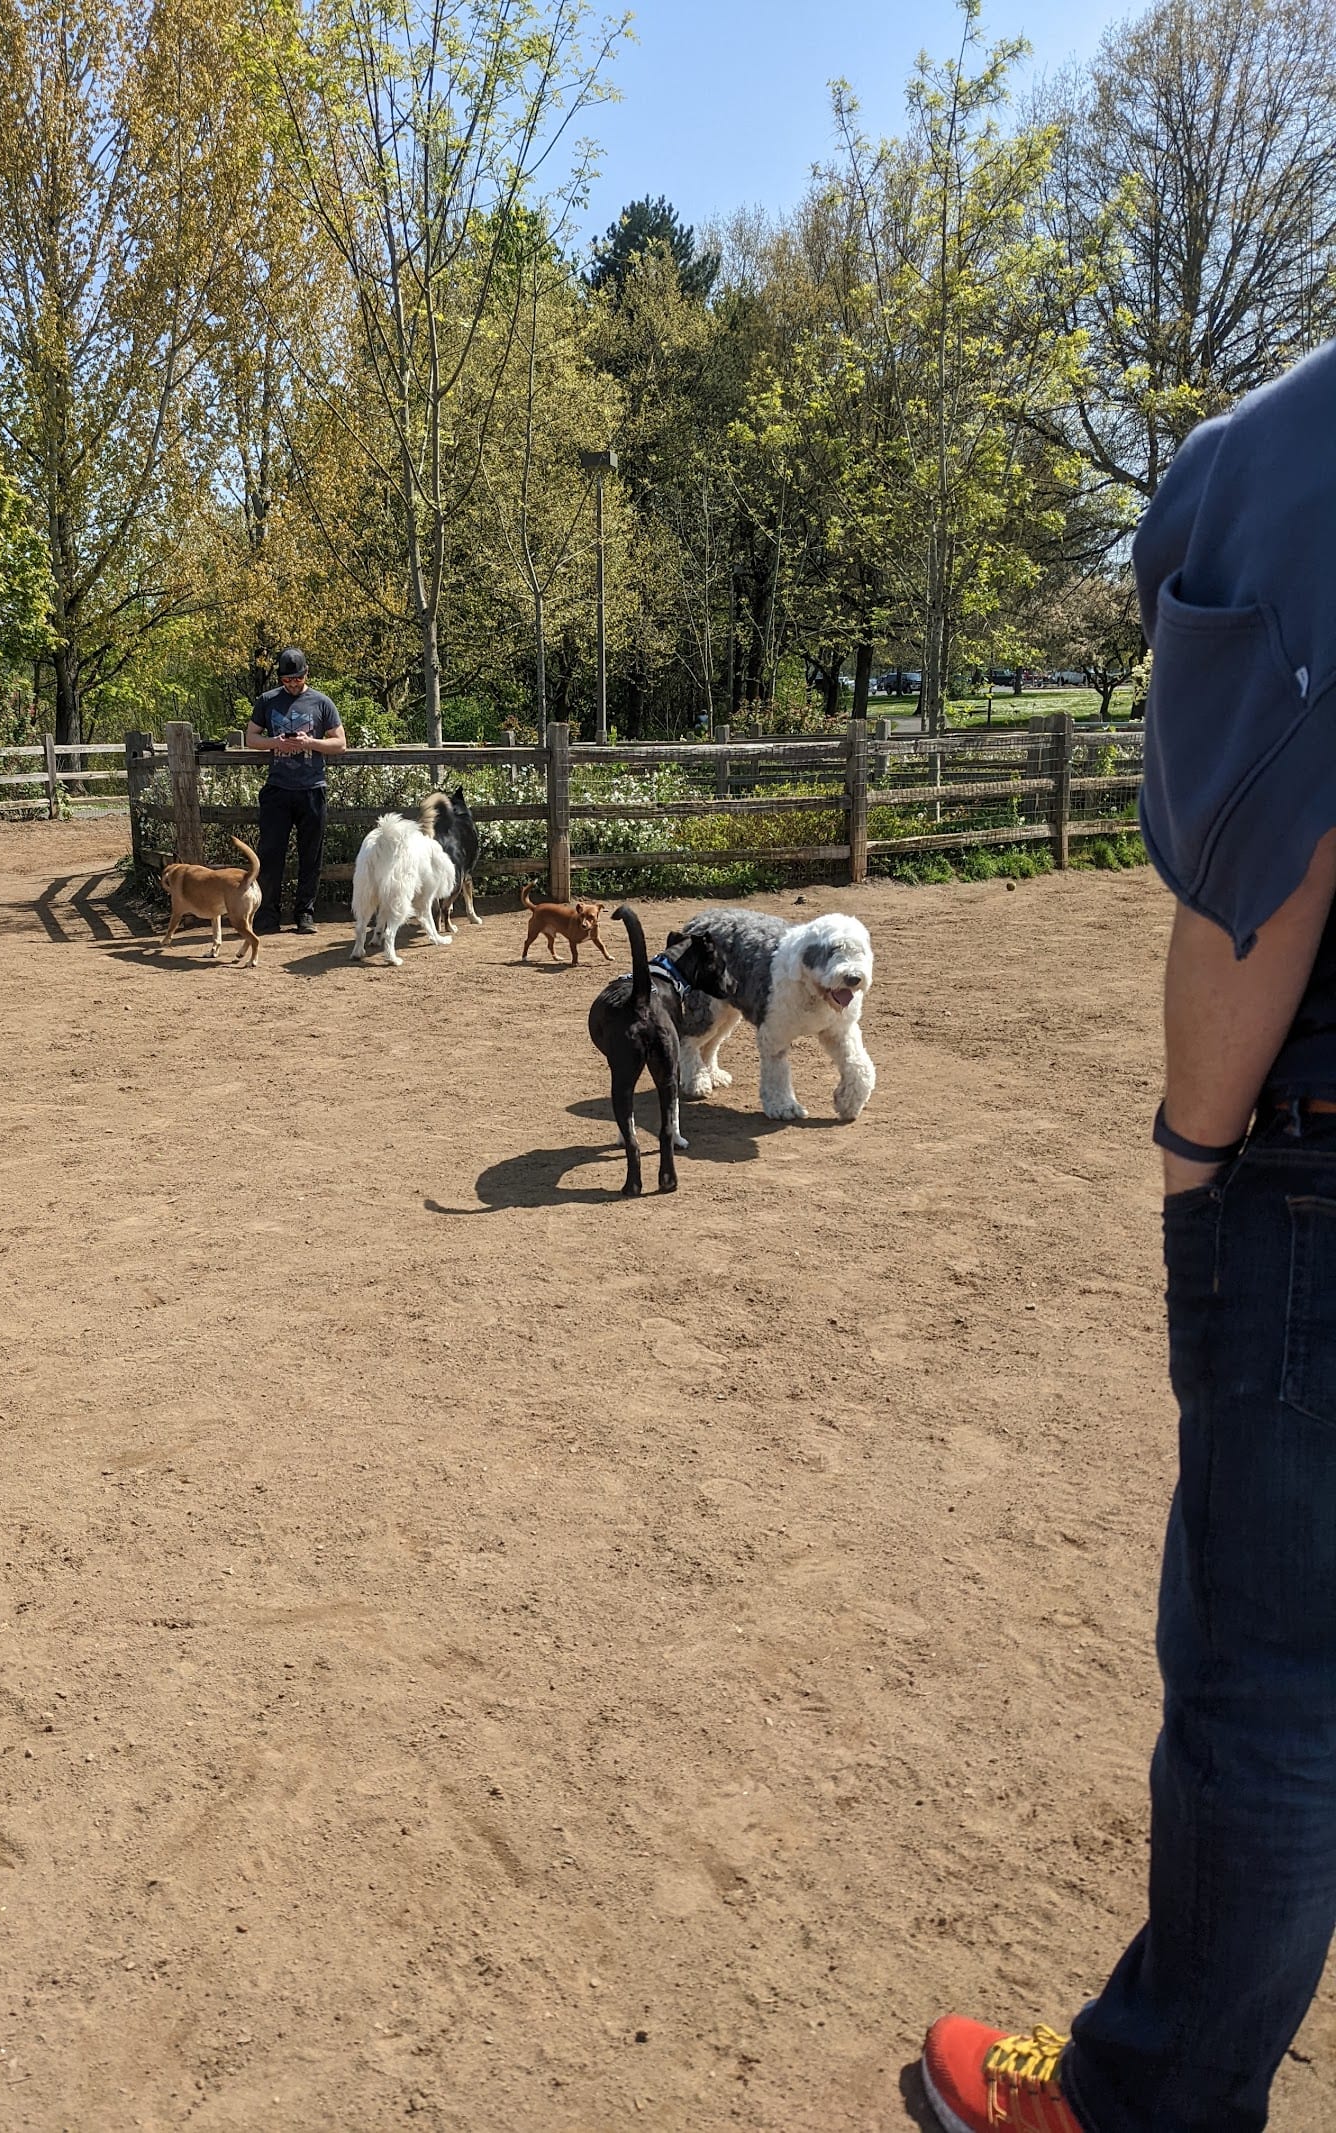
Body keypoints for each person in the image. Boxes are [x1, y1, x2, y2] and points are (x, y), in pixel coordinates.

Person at [923, 337, 1336, 2133]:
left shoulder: (1294, 462)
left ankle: (1147, 2101)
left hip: (1320, 1170)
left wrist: (1193, 1154)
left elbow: (1270, 864)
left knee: (1267, 1677)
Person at [245, 648, 345, 934]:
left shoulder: (322, 702)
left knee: (310, 854)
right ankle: (266, 915)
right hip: (277, 788)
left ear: (306, 674)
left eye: (297, 679)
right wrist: (275, 742)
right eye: (287, 680)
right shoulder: (267, 701)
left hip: (312, 788)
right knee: (271, 853)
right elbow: (251, 737)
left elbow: (339, 744)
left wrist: (310, 743)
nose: (292, 684)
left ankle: (305, 914)